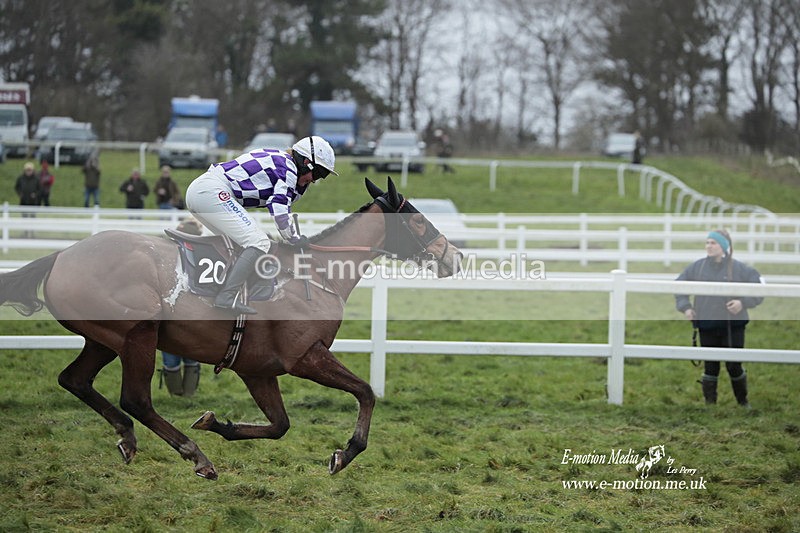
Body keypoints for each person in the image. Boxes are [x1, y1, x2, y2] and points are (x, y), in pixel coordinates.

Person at [185, 135, 338, 314]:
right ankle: (227, 296)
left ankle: (216, 291)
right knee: (260, 242)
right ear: (305, 162)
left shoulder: (283, 162)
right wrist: (294, 239)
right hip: (211, 192)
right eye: (319, 173)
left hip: (204, 191)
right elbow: (279, 210)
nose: (314, 180)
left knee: (239, 244)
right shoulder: (288, 168)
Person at [675, 229, 764, 407]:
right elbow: (679, 287)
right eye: (707, 242)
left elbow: (760, 288)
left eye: (713, 243)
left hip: (733, 326)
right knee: (710, 366)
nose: (708, 246)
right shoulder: (697, 267)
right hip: (707, 325)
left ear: (723, 246)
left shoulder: (740, 268)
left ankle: (742, 402)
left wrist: (743, 303)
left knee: (734, 365)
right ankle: (710, 406)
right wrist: (686, 308)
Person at [161, 217, 204, 397]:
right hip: (189, 312)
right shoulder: (195, 254)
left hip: (173, 310)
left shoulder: (171, 255)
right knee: (189, 353)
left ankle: (180, 395)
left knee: (172, 354)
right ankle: (185, 395)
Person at [15, 162, 41, 237]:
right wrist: (20, 194)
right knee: (24, 219)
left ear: (33, 170)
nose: (28, 172)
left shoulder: (36, 179)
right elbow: (17, 187)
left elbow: (40, 189)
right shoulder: (21, 178)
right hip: (24, 201)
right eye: (27, 170)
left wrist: (35, 194)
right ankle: (25, 233)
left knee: (32, 219)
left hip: (33, 202)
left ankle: (32, 233)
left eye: (30, 170)